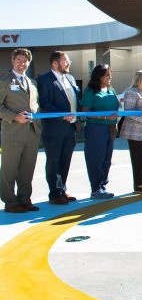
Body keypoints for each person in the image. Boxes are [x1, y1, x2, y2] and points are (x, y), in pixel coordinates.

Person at [36, 51, 81, 205]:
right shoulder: (44, 79)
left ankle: (62, 189)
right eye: (65, 61)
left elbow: (76, 100)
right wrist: (62, 115)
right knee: (54, 161)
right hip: (54, 128)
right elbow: (44, 102)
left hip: (71, 127)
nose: (69, 64)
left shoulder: (70, 78)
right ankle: (54, 194)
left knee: (66, 160)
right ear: (55, 63)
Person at [0, 48, 41, 213]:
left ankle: (25, 200)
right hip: (13, 132)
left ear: (28, 63)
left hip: (32, 132)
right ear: (13, 61)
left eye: (25, 61)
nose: (21, 64)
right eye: (18, 60)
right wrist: (14, 116)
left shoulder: (32, 83)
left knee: (27, 169)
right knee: (9, 170)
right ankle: (10, 203)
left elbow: (35, 105)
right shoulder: (4, 81)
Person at [81, 64, 120, 198]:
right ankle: (95, 188)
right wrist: (103, 117)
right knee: (96, 158)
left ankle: (102, 185)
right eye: (107, 74)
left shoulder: (111, 90)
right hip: (96, 129)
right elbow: (85, 112)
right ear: (99, 76)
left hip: (111, 128)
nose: (111, 77)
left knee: (107, 159)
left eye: (111, 73)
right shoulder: (91, 91)